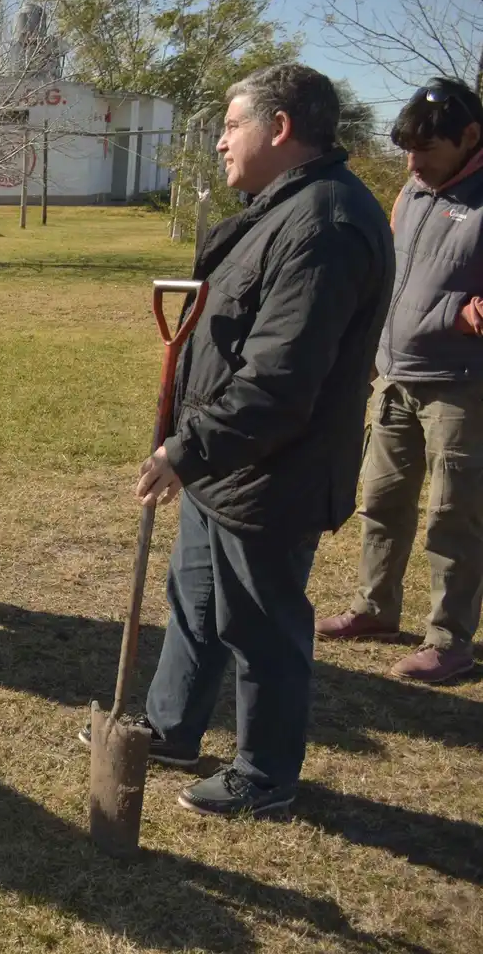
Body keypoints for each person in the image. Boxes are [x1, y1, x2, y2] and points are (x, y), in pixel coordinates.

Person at [80, 64, 396, 816]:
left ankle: (264, 775)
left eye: (230, 124)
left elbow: (281, 384)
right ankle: (170, 727)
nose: (220, 141)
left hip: (272, 471)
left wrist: (185, 450)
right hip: (228, 463)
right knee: (194, 600)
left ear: (279, 128)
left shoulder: (323, 225)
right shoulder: (279, 209)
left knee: (262, 626)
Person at [316, 79, 483, 684]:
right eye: (407, 150)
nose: (413, 163)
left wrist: (462, 315)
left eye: (427, 149)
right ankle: (375, 607)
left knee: (453, 513)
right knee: (382, 502)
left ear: (470, 137)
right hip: (395, 375)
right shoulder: (412, 192)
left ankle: (450, 639)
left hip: (462, 383)